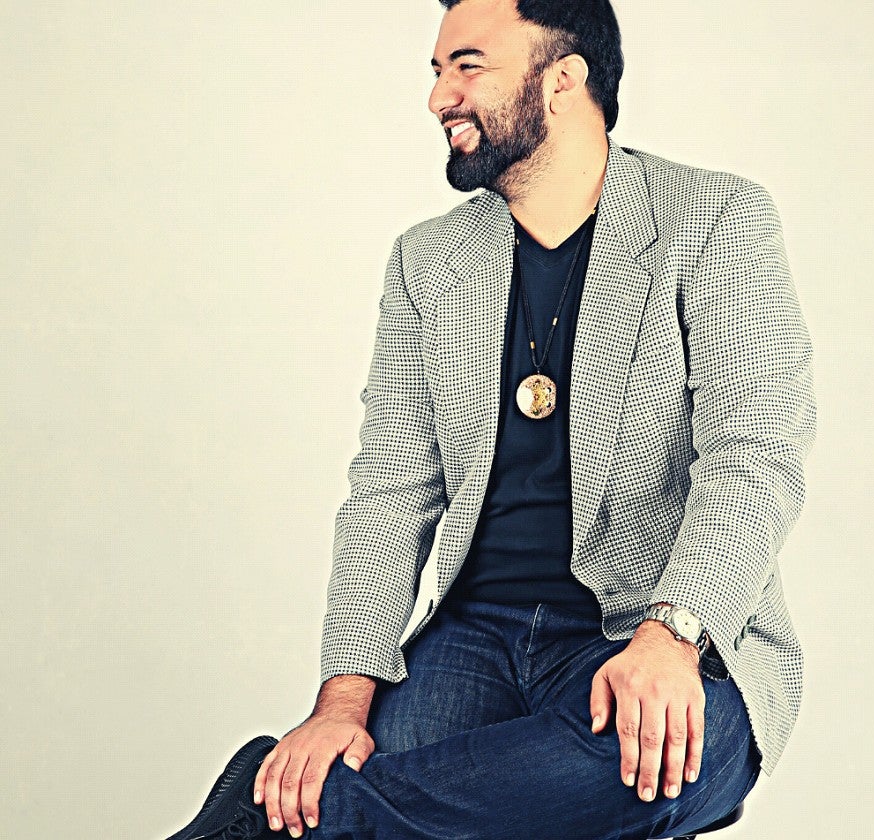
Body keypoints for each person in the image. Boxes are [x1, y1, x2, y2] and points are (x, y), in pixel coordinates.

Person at [167, 0, 816, 837]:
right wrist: (341, 703)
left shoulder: (714, 219)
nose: (439, 97)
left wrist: (673, 635)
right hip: (475, 638)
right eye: (437, 72)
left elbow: (754, 454)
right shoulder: (427, 260)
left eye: (468, 66)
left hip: (649, 624)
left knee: (656, 770)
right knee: (361, 767)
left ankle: (277, 820)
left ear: (563, 79)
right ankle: (320, 811)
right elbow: (390, 493)